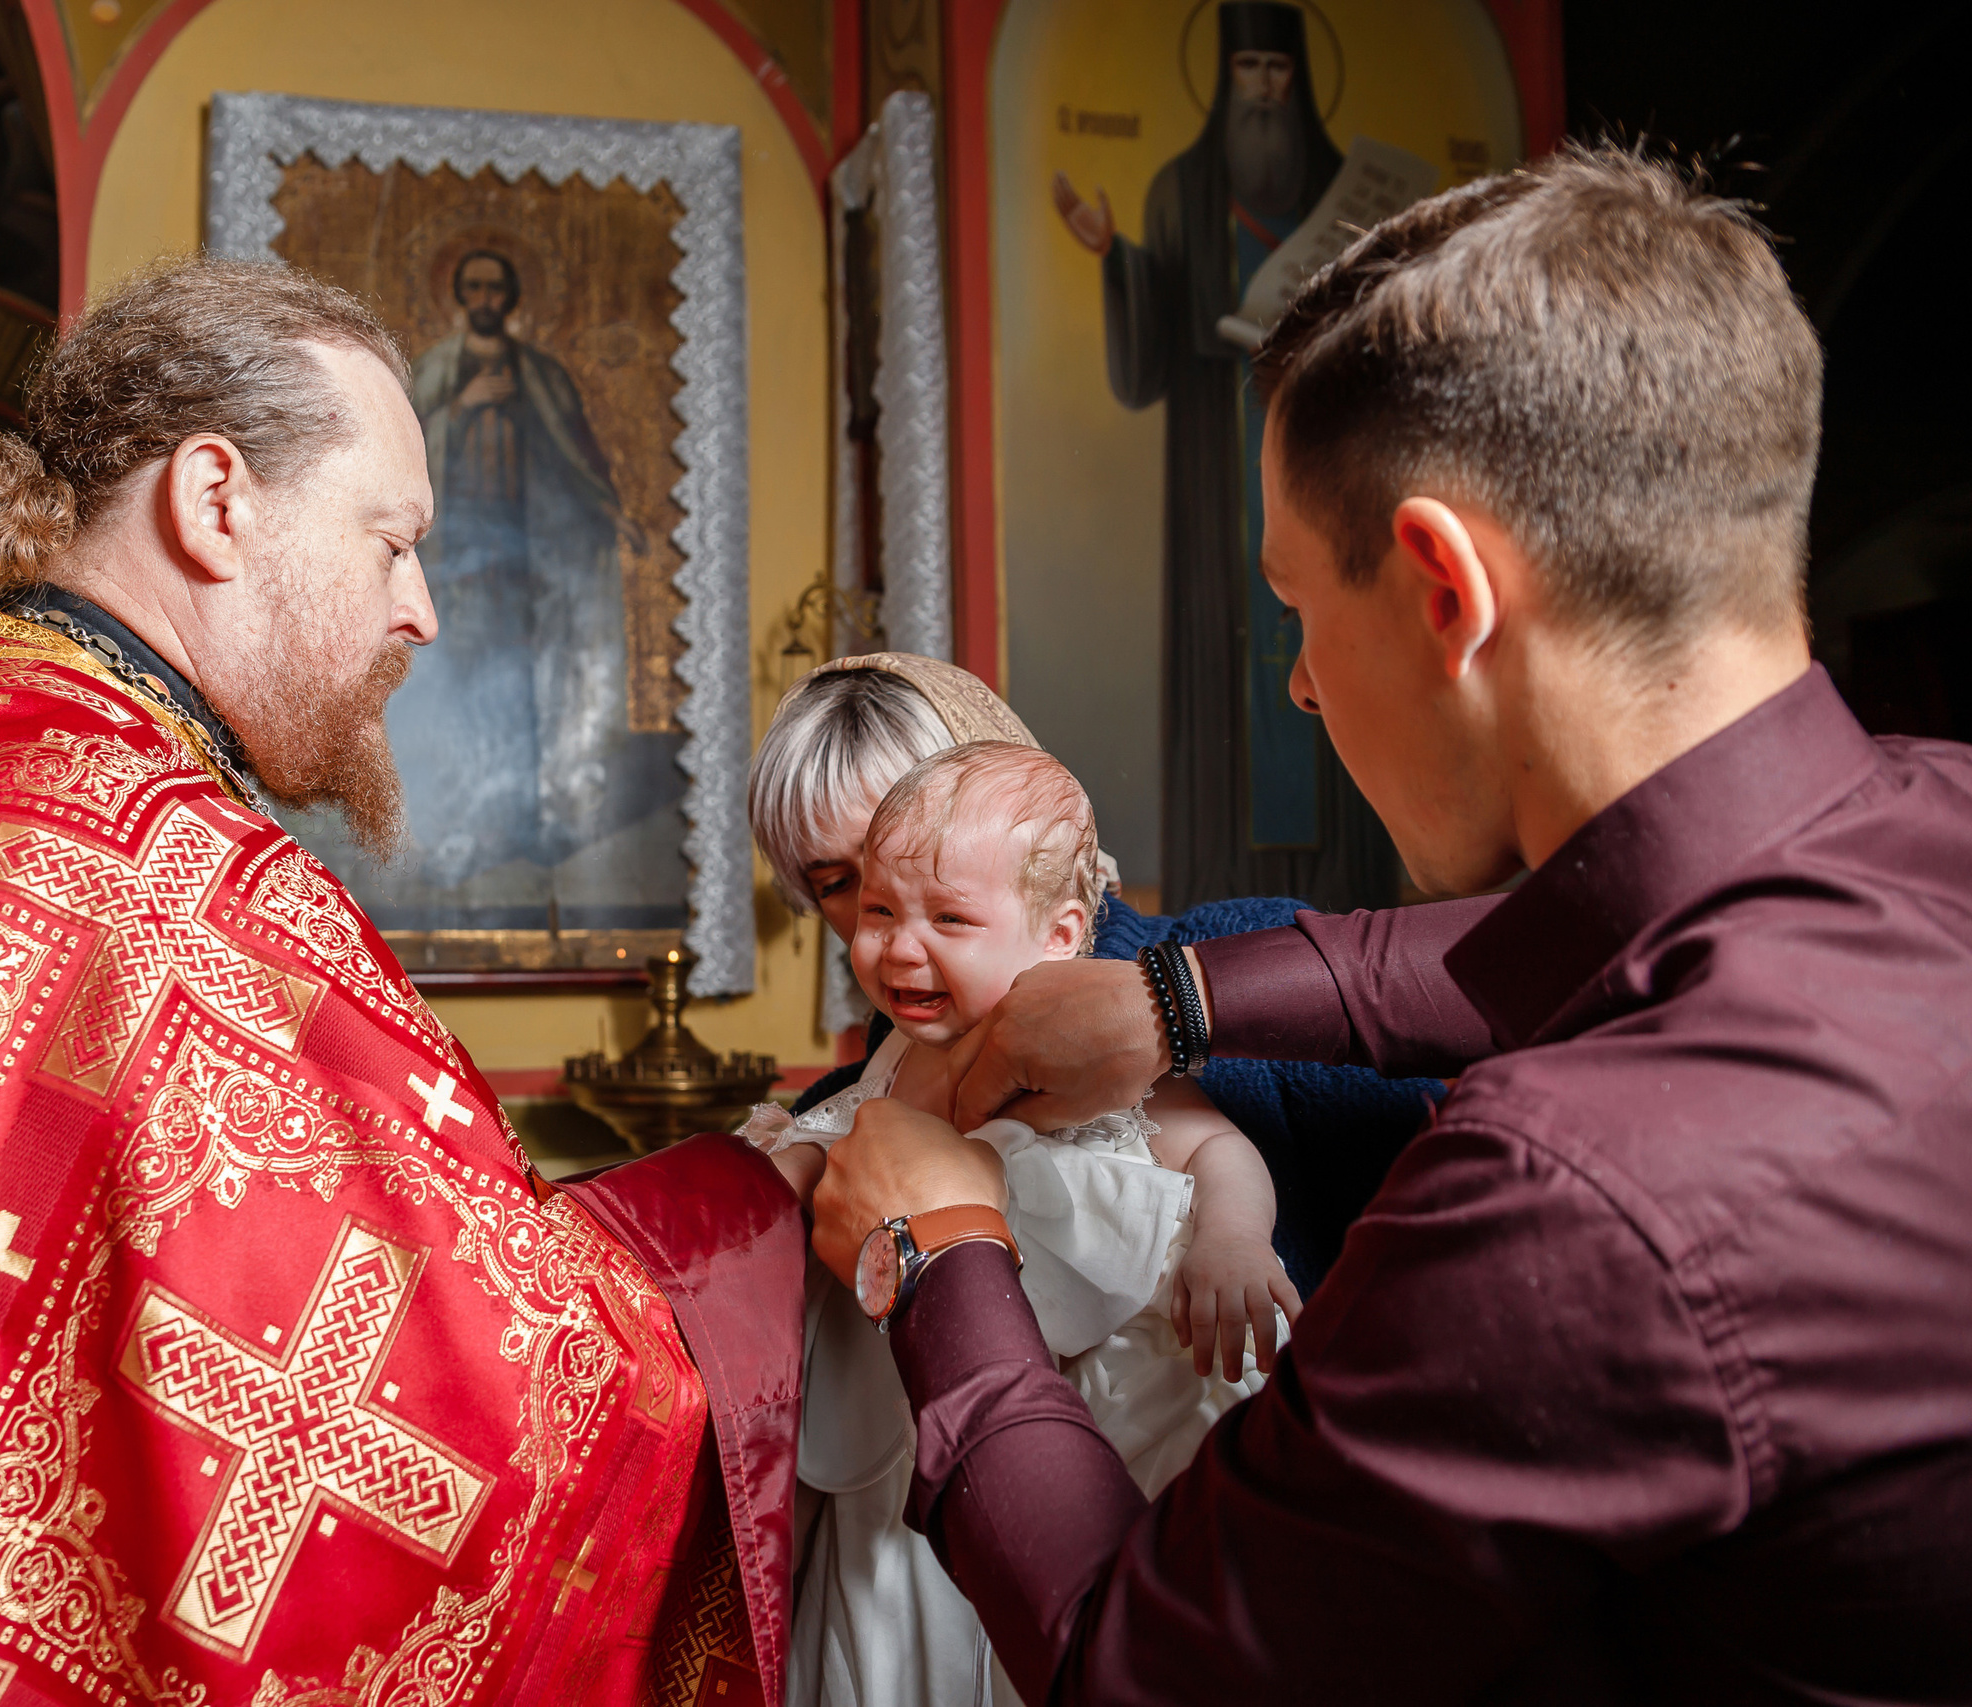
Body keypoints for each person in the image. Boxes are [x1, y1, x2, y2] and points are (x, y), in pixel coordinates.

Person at [810, 147, 1972, 1701]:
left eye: (1297, 606)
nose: (1298, 683)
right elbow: (1584, 944)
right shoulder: (1940, 808)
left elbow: (1133, 1666)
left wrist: (940, 1245)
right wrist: (1179, 1002)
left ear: (1443, 587)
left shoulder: (1560, 1199)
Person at [0, 256, 808, 1705]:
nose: (422, 609)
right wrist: (770, 1202)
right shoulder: (146, 863)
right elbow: (509, 1385)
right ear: (215, 501)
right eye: (391, 542)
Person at [746, 741, 1294, 1707]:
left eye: (949, 919)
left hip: (1100, 1412)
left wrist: (1233, 1239)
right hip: (911, 1421)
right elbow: (826, 1142)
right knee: (890, 1634)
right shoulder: (895, 1061)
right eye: (878, 912)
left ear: (1059, 934)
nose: (899, 948)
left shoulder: (1086, 1047)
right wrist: (749, 1192)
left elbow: (1216, 1148)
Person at [749, 651, 1440, 1295]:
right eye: (843, 885)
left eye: (931, 871)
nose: (894, 931)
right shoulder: (857, 1093)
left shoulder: (1258, 955)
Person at [1050, 0, 1389, 913]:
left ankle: (1340, 886)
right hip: (1217, 460)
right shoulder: (1180, 190)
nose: (1265, 88)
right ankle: (1225, 883)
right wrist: (1114, 256)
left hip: (1320, 449)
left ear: (1300, 78)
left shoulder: (1345, 191)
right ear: (1224, 78)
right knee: (1233, 651)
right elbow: (1152, 346)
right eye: (1249, 70)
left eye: (1278, 70)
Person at [396, 248, 656, 891]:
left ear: (512, 297)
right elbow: (397, 455)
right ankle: (456, 827)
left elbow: (575, 453)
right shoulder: (436, 370)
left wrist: (609, 511)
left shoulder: (539, 375)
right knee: (460, 687)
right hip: (452, 563)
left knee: (528, 688)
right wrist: (462, 408)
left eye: (496, 288)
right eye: (474, 287)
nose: (485, 299)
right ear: (459, 295)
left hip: (528, 561)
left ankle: (525, 822)